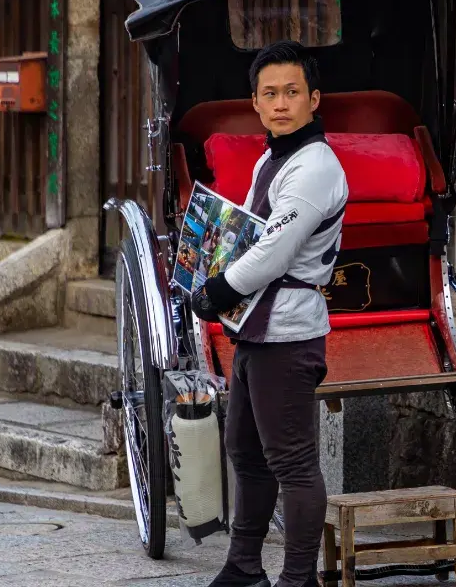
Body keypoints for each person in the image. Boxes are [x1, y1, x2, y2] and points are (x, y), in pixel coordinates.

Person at [192, 40, 349, 587]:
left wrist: (215, 289)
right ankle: (243, 566)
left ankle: (299, 578)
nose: (281, 103)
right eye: (270, 94)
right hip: (255, 325)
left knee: (293, 463)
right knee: (245, 450)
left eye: (292, 92)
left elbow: (275, 253)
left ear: (314, 99)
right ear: (255, 103)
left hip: (287, 330)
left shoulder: (314, 167)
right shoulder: (272, 157)